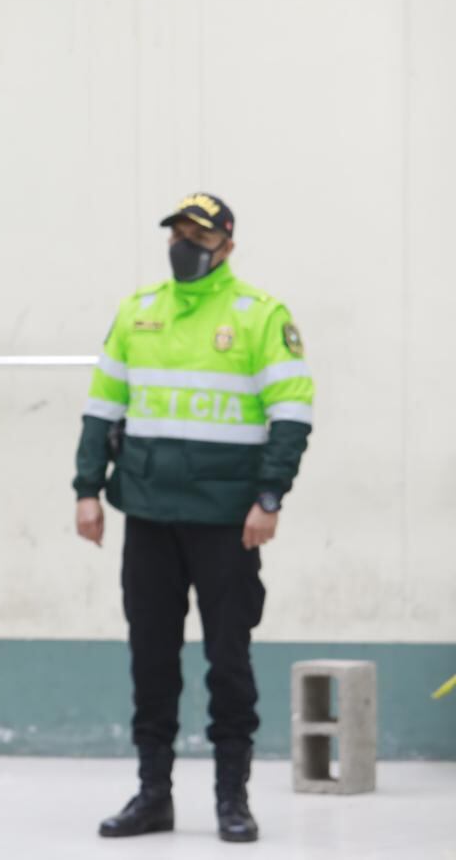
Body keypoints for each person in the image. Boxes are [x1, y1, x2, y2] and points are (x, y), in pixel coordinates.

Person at [72, 193, 313, 845]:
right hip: (148, 515)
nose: (184, 244)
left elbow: (292, 413)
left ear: (226, 246)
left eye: (198, 236)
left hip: (227, 522)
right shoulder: (138, 310)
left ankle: (233, 797)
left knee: (228, 661)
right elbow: (102, 407)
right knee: (151, 660)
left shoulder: (260, 315)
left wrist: (270, 498)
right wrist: (87, 489)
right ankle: (153, 794)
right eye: (177, 232)